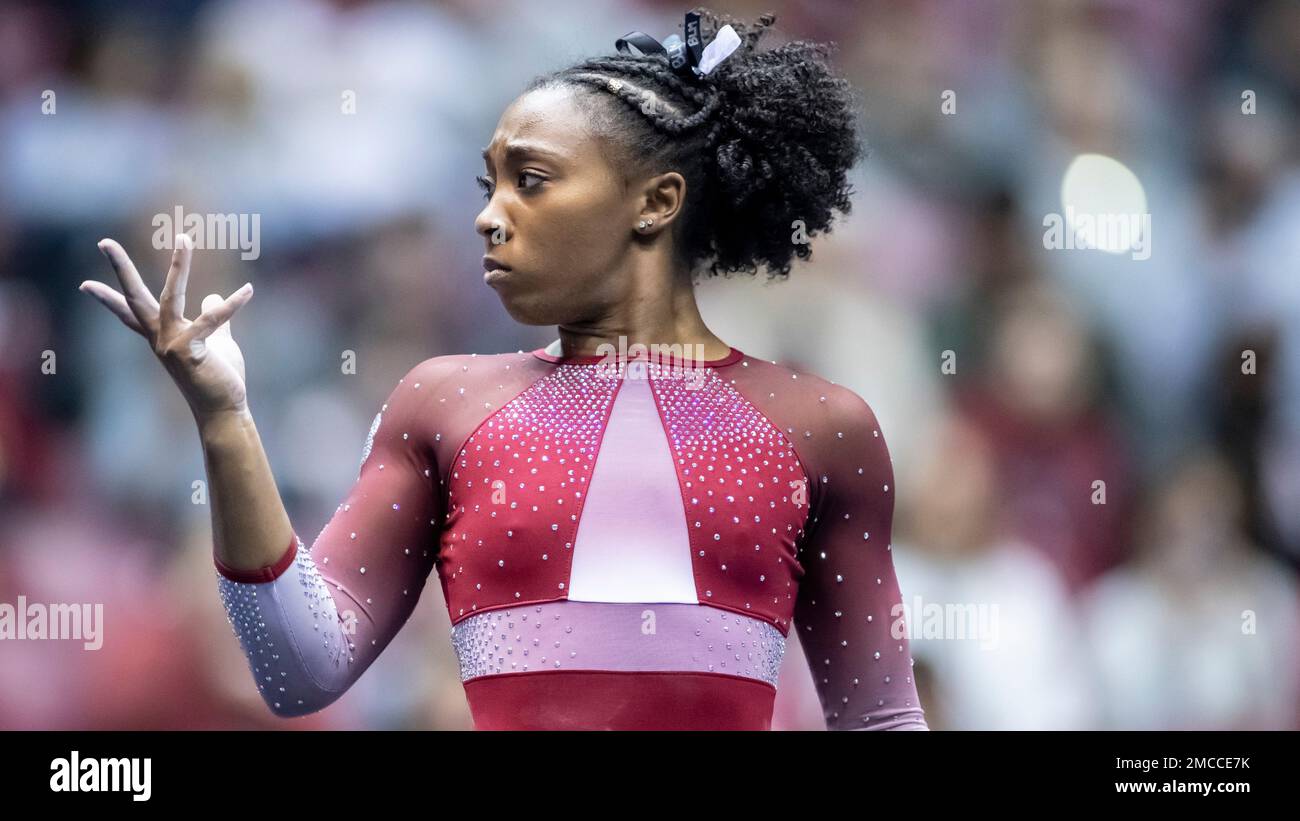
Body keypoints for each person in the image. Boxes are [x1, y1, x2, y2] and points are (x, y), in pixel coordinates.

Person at [78, 9, 927, 731]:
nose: (488, 217)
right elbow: (300, 668)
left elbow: (882, 716)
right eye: (487, 184)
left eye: (531, 180)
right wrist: (226, 420)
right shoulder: (444, 404)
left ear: (656, 202)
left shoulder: (819, 428)